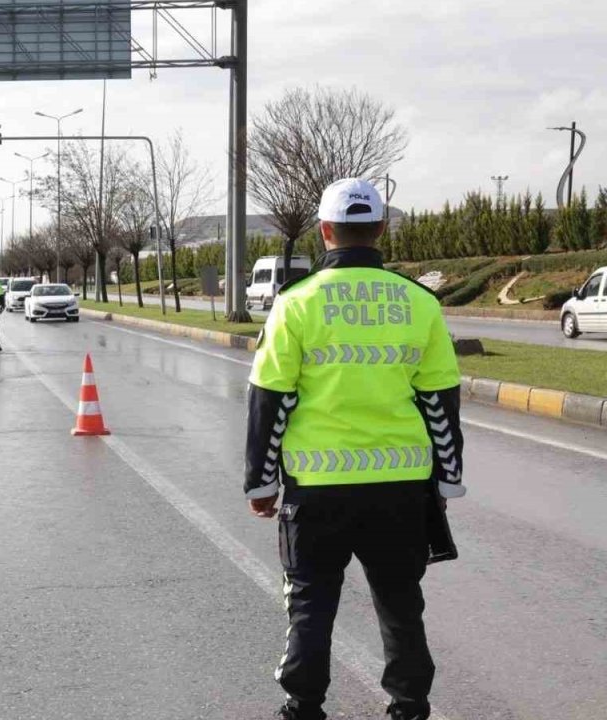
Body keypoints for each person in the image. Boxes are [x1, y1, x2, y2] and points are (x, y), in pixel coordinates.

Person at [244, 179, 465, 720]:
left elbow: (271, 397)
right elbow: (440, 401)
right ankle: (409, 706)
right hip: (402, 489)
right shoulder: (420, 303)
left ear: (324, 231)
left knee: (311, 604)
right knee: (400, 606)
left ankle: (304, 706)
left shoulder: (296, 304)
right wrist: (446, 482)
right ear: (382, 228)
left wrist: (261, 481)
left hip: (317, 493)